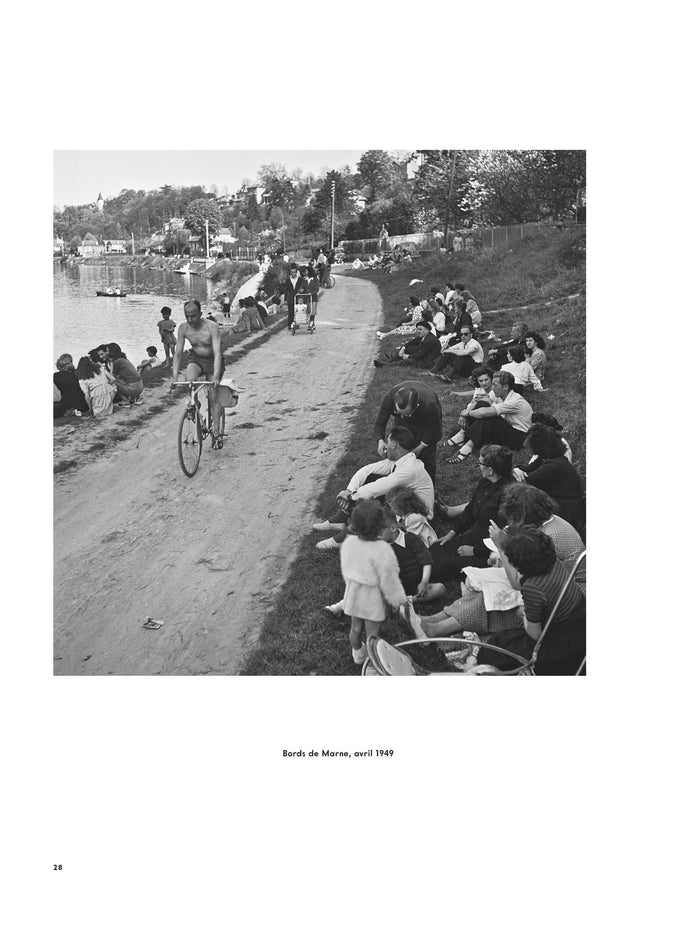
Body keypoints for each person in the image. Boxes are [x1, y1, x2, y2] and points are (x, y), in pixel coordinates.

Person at [477, 527, 586, 675]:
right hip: (581, 619)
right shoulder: (554, 562)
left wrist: (525, 617)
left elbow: (536, 635)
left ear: (519, 564)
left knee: (493, 650)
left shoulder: (533, 588)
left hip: (563, 639)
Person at [313, 426, 435, 550]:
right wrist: (349, 491)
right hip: (404, 507)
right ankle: (341, 520)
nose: (386, 446)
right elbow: (367, 470)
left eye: (387, 442)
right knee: (369, 480)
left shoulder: (410, 469)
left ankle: (344, 537)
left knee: (369, 508)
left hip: (415, 518)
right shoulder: (403, 459)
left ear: (393, 444)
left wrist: (350, 496)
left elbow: (377, 488)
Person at [429, 444, 515, 579]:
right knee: (434, 552)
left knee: (443, 565)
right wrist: (452, 533)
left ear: (490, 470)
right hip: (474, 535)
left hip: (490, 549)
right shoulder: (485, 482)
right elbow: (470, 510)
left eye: (480, 463)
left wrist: (474, 551)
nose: (479, 466)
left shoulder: (508, 495)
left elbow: (503, 534)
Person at [338, 500, 408, 667]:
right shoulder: (383, 549)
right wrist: (397, 599)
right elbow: (389, 578)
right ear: (380, 526)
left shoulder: (349, 543)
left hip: (354, 591)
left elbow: (346, 567)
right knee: (373, 635)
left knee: (355, 628)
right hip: (372, 597)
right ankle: (374, 663)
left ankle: (357, 653)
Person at [493, 484, 585, 590]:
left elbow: (519, 583)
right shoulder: (552, 520)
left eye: (513, 517)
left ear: (521, 516)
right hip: (570, 584)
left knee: (487, 589)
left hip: (569, 593)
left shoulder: (544, 538)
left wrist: (501, 546)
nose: (511, 521)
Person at [170, 298, 229, 449]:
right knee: (189, 381)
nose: (190, 319)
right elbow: (177, 354)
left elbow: (217, 353)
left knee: (214, 395)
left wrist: (215, 377)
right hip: (196, 358)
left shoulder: (212, 327)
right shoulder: (183, 328)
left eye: (193, 316)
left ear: (200, 314)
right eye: (187, 316)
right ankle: (196, 407)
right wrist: (174, 378)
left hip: (212, 360)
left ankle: (216, 433)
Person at [446, 370, 532, 463]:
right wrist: (464, 415)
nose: (492, 387)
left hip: (520, 438)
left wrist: (467, 414)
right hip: (508, 428)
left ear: (506, 387)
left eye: (495, 385)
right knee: (482, 405)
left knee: (489, 417)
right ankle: (462, 435)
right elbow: (479, 401)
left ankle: (466, 448)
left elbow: (483, 413)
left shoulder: (515, 400)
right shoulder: (499, 393)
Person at [513, 425, 585, 534]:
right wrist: (517, 470)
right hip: (558, 502)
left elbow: (528, 480)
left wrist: (517, 472)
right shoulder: (550, 459)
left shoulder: (555, 465)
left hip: (567, 509)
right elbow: (527, 469)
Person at [374, 381, 443, 485]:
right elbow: (380, 422)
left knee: (426, 458)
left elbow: (433, 428)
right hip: (401, 424)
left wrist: (421, 446)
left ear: (416, 406)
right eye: (398, 412)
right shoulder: (390, 398)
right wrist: (380, 440)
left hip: (425, 424)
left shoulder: (430, 404)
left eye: (406, 413)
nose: (402, 416)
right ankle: (403, 485)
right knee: (399, 452)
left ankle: (430, 491)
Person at [442, 366, 495, 449]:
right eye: (480, 381)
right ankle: (463, 437)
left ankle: (463, 437)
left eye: (486, 380)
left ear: (491, 378)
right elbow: (472, 403)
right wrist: (464, 414)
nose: (484, 383)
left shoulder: (495, 390)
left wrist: (465, 414)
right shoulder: (479, 389)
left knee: (481, 404)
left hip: (490, 419)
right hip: (476, 415)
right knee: (475, 407)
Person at [373, 320, 441, 369]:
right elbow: (412, 342)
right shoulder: (424, 336)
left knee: (408, 361)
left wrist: (407, 356)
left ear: (427, 330)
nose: (418, 331)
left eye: (420, 329)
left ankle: (385, 366)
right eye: (417, 329)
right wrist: (403, 348)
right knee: (409, 348)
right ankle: (392, 360)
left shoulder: (430, 340)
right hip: (423, 356)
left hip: (427, 362)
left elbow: (420, 355)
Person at [283, 263, 307, 330]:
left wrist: (302, 290)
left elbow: (304, 287)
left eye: (294, 272)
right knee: (290, 312)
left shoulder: (300, 279)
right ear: (290, 272)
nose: (293, 273)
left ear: (296, 272)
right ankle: (290, 325)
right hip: (290, 297)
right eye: (292, 272)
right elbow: (286, 290)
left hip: (298, 297)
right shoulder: (288, 280)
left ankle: (297, 323)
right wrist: (285, 299)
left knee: (297, 311)